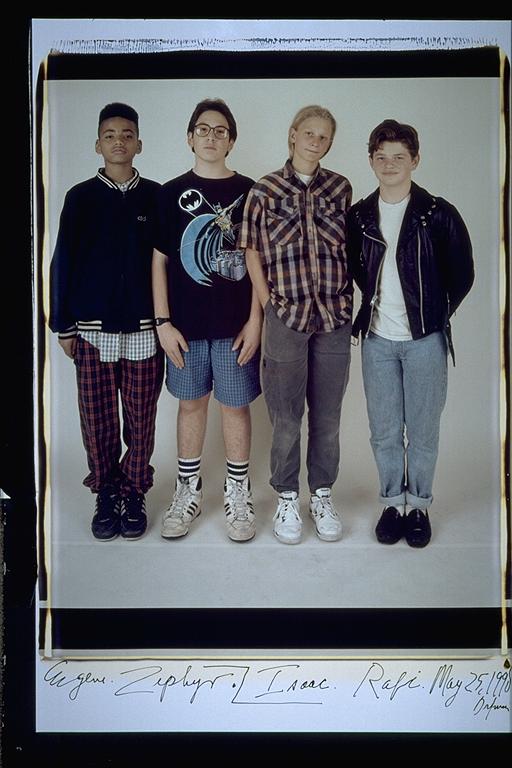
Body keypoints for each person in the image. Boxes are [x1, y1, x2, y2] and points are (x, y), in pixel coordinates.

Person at [347, 119, 474, 548]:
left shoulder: (437, 213)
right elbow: (357, 268)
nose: (390, 164)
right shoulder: (360, 215)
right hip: (377, 341)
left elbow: (462, 274)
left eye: (399, 157)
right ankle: (392, 505)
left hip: (425, 341)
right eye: (381, 157)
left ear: (415, 160)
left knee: (422, 431)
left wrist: (433, 314)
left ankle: (418, 506)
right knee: (383, 430)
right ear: (371, 160)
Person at [49, 102, 164, 541]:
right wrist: (63, 323)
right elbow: (63, 260)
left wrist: (168, 321)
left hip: (144, 329)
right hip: (92, 330)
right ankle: (106, 490)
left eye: (127, 134)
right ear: (98, 144)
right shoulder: (80, 197)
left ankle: (133, 492)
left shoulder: (155, 196)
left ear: (139, 143)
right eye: (110, 135)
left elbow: (166, 264)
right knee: (97, 420)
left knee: (141, 418)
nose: (119, 141)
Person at [240, 105, 352, 545]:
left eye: (324, 136)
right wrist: (268, 305)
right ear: (292, 135)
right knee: (286, 417)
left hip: (334, 317)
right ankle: (287, 496)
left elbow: (349, 248)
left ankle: (321, 494)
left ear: (330, 143)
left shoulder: (340, 188)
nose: (315, 141)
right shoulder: (264, 189)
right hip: (286, 316)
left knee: (328, 415)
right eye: (309, 133)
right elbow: (251, 249)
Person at [153, 98, 261, 542]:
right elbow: (159, 261)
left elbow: (256, 262)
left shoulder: (252, 191)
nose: (211, 136)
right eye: (203, 129)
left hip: (236, 328)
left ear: (231, 140)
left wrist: (256, 321)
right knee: (191, 404)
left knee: (235, 406)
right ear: (189, 137)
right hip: (185, 328)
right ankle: (188, 489)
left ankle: (238, 491)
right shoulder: (169, 193)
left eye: (220, 130)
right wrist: (162, 322)